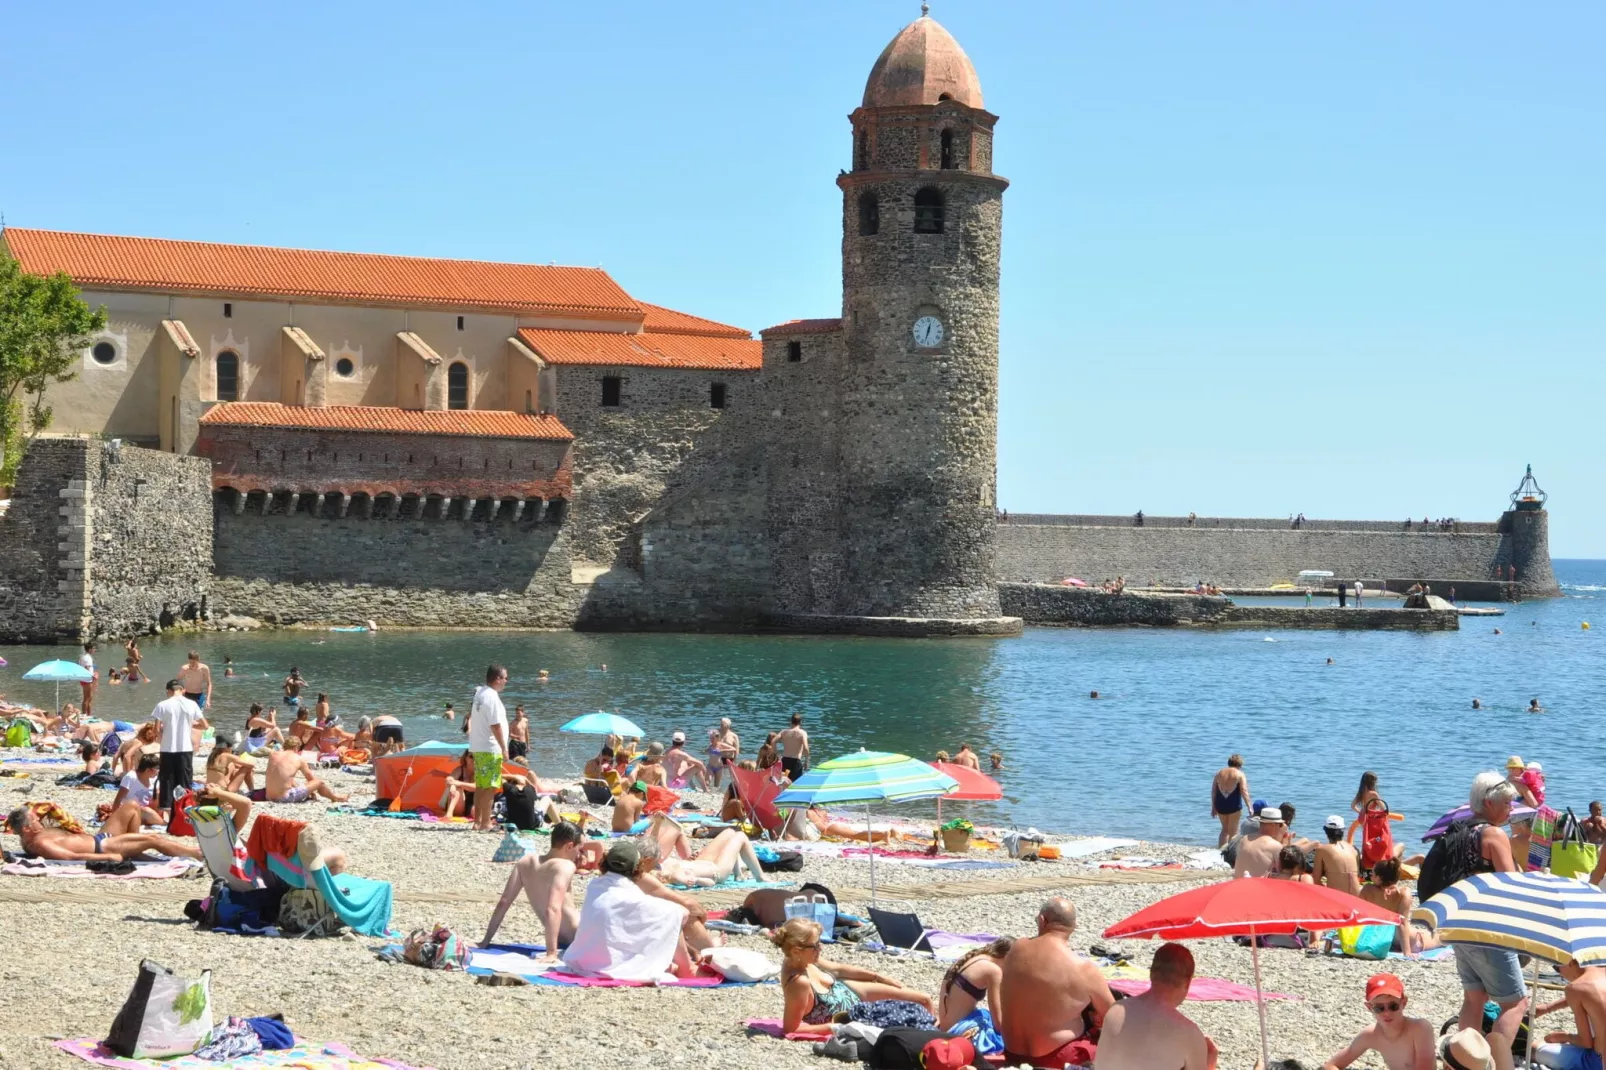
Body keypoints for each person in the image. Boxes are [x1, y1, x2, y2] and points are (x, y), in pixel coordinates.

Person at [1452, 772, 1527, 1070]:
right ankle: (1493, 1064)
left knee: (1474, 998)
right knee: (1516, 1003)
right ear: (1488, 803)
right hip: (1487, 929)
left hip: (1458, 922)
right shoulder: (1494, 835)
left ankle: (1463, 1061)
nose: (1511, 809)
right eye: (1507, 803)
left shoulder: (1458, 832)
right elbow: (1510, 887)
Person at [1000, 897, 1116, 1068]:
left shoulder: (1016, 949)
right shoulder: (1084, 969)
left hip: (1012, 1054)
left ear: (1042, 920)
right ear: (1074, 927)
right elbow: (1115, 1018)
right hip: (1060, 1058)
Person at [772, 916, 934, 1036]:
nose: (820, 948)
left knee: (924, 999)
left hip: (848, 990)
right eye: (815, 945)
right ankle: (937, 1041)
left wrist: (878, 977)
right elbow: (791, 1029)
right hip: (854, 1010)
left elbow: (839, 970)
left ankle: (936, 1034)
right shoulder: (798, 982)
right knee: (922, 1002)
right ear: (796, 950)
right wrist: (834, 1027)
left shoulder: (803, 959)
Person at [562, 841, 696, 982]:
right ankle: (686, 968)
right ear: (637, 868)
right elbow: (682, 913)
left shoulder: (595, 885)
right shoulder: (628, 895)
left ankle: (681, 962)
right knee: (674, 915)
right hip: (608, 962)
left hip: (585, 958)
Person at [1094, 942, 1216, 1070]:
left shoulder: (1116, 1009)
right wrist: (1211, 1062)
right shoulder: (1189, 1033)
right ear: (1188, 982)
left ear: (1151, 973)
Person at [481, 819, 583, 957]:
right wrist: (551, 953)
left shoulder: (525, 861)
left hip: (559, 941)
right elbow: (553, 908)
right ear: (569, 846)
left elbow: (504, 902)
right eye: (580, 849)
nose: (579, 855)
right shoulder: (565, 866)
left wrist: (485, 941)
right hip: (579, 939)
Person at [6, 801, 202, 861]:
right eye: (35, 820)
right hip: (103, 847)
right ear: (25, 828)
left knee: (132, 807)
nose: (39, 820)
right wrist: (109, 858)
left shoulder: (33, 835)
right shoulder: (40, 843)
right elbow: (70, 857)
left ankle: (135, 852)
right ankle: (197, 854)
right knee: (154, 838)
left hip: (99, 837)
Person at [1318, 973, 1436, 1070]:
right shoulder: (1371, 1034)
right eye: (1379, 1008)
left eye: (1393, 1006)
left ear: (1403, 1003)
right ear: (1369, 1008)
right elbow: (1331, 1065)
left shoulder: (1420, 1029)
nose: (1387, 1013)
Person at [937, 938, 1013, 1056]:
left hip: (944, 1027)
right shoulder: (993, 971)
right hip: (960, 1030)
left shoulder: (971, 959)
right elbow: (999, 1024)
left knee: (984, 1013)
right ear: (1007, 957)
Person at [1532, 957, 1606, 1070]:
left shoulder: (1575, 988)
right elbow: (1587, 996)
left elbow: (1586, 1042)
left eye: (1557, 968)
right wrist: (1548, 1008)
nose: (1560, 975)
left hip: (1598, 1062)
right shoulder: (1601, 973)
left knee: (1534, 1048)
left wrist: (1565, 1036)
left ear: (1570, 962)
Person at [1359, 858, 1437, 955]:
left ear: (1379, 878)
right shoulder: (1403, 893)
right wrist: (1407, 952)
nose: (1370, 876)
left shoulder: (1367, 890)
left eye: (1372, 874)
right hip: (1402, 938)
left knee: (1427, 932)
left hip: (1377, 937)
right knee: (1438, 937)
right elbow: (1402, 923)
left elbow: (1359, 915)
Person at [152, 679, 206, 810]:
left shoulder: (162, 705)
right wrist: (190, 724)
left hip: (167, 748)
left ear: (169, 691)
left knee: (167, 779)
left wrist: (161, 739)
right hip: (185, 748)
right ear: (183, 690)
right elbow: (205, 725)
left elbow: (156, 729)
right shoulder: (192, 704)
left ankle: (167, 808)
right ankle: (183, 807)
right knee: (184, 779)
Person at [468, 664, 509, 832]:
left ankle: (477, 821)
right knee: (489, 787)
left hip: (478, 745)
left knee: (481, 785)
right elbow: (496, 725)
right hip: (490, 747)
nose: (506, 681)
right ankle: (485, 823)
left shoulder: (480, 693)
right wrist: (504, 747)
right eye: (505, 678)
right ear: (497, 679)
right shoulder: (491, 697)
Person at [656, 826, 770, 888]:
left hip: (701, 862)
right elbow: (710, 882)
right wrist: (696, 880)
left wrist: (688, 860)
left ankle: (738, 874)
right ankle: (760, 877)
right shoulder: (674, 876)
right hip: (717, 870)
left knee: (729, 832)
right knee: (740, 836)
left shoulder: (659, 865)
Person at [264, 737, 348, 803]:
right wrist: (311, 791)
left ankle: (333, 797)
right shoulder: (299, 759)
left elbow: (282, 776)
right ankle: (335, 798)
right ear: (296, 747)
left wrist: (308, 791)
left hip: (268, 796)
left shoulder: (273, 754)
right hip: (284, 798)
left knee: (289, 779)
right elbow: (311, 780)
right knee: (319, 782)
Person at [202, 743, 254, 827]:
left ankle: (251, 791)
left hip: (210, 790)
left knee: (234, 768)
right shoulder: (226, 755)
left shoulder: (212, 757)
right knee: (246, 768)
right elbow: (251, 765)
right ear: (227, 748)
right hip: (222, 790)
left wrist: (234, 766)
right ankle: (252, 791)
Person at [1313, 815, 1362, 895]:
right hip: (1357, 896)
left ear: (1326, 831)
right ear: (1343, 830)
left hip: (1337, 897)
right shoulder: (1353, 849)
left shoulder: (1321, 850)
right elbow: (1357, 875)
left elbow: (1316, 879)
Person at [111, 754, 164, 826]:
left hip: (149, 808)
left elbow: (156, 801)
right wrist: (113, 818)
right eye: (157, 768)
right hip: (131, 810)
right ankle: (163, 824)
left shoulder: (154, 779)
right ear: (148, 770)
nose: (159, 771)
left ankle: (159, 821)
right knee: (146, 811)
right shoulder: (131, 777)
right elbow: (118, 799)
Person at [1234, 807, 1288, 878]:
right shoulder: (1275, 846)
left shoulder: (1243, 839)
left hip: (1238, 884)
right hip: (1258, 887)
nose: (1280, 828)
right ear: (1273, 825)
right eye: (1280, 825)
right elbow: (1282, 871)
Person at [1211, 755, 1250, 847]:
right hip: (1234, 805)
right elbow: (1244, 791)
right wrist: (1250, 806)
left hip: (1220, 805)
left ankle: (1220, 852)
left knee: (1224, 830)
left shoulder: (1219, 773)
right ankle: (1230, 854)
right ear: (1240, 765)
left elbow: (1213, 791)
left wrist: (1213, 807)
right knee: (1233, 832)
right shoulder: (1240, 774)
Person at [438, 750, 477, 818]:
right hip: (458, 804)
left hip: (472, 803)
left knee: (475, 812)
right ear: (466, 758)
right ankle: (448, 814)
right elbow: (449, 779)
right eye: (471, 756)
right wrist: (453, 785)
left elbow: (477, 787)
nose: (474, 759)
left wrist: (457, 783)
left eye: (478, 757)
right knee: (457, 788)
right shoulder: (460, 770)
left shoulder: (481, 771)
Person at [777, 713, 810, 782]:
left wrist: (775, 755)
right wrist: (806, 761)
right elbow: (806, 748)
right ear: (801, 722)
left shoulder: (784, 732)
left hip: (785, 761)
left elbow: (773, 741)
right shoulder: (802, 733)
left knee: (783, 784)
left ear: (791, 721)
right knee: (795, 785)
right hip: (796, 762)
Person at [78, 642, 98, 718]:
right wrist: (93, 675)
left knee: (89, 698)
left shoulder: (82, 656)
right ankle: (84, 714)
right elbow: (87, 668)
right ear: (89, 649)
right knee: (87, 698)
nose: (94, 650)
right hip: (87, 679)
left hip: (84, 678)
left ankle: (89, 714)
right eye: (93, 648)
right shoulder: (88, 657)